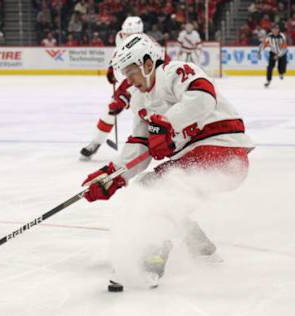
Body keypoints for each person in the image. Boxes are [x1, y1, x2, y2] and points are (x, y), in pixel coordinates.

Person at [81, 34, 254, 288]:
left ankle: (153, 257)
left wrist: (167, 124)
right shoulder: (140, 100)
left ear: (148, 64)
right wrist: (113, 175)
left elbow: (204, 96)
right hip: (195, 158)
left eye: (132, 73)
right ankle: (203, 250)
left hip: (223, 151)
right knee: (153, 188)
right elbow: (140, 144)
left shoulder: (175, 72)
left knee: (158, 191)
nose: (129, 81)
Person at [80, 16, 169, 160]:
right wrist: (112, 70)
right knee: (110, 111)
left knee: (146, 117)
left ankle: (155, 145)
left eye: (130, 35)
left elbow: (145, 74)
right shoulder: (122, 39)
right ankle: (96, 142)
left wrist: (123, 97)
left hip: (150, 85)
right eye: (125, 34)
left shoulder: (148, 46)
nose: (126, 37)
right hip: (136, 82)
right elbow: (119, 58)